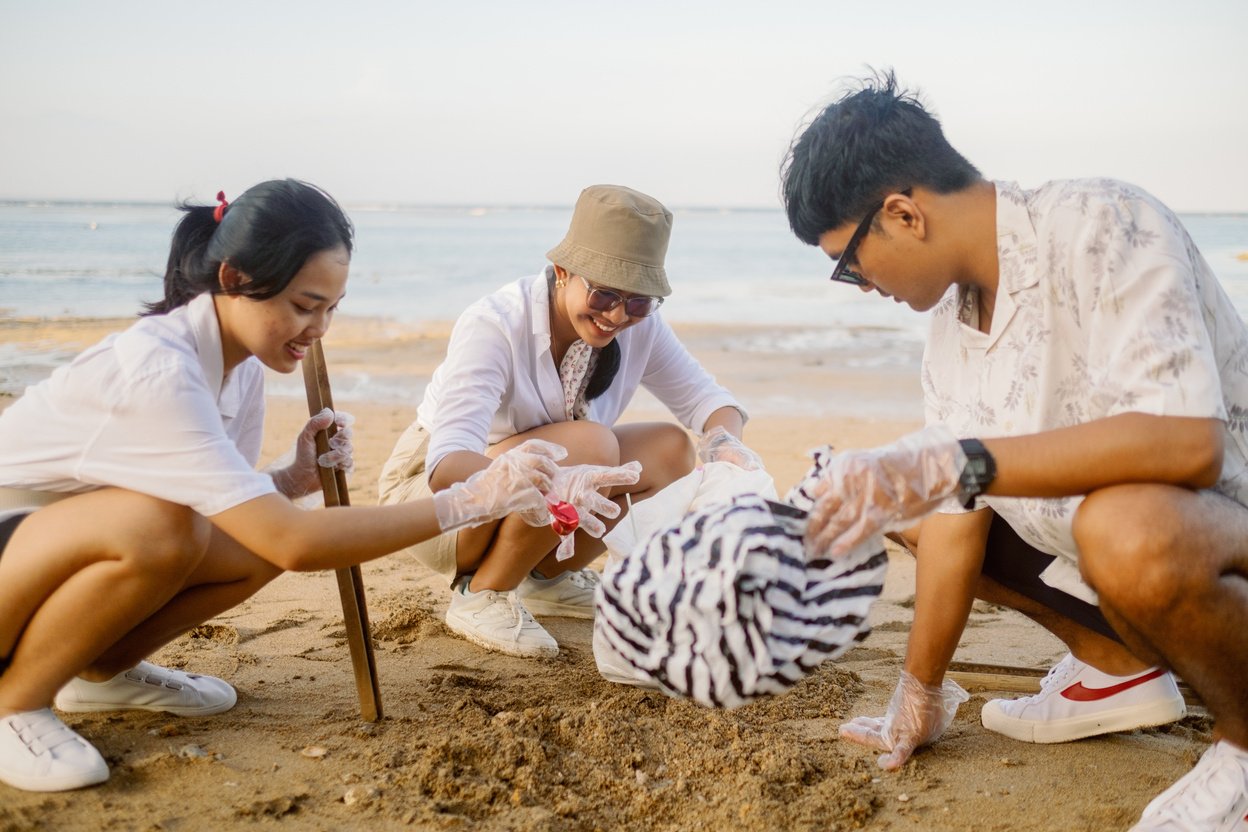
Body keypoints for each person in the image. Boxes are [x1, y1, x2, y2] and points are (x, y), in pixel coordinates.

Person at [780, 73, 1248, 829]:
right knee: (905, 502)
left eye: (849, 262)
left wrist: (957, 460)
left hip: (1220, 536)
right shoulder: (951, 330)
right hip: (1130, 574)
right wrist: (919, 691)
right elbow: (956, 512)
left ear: (902, 214)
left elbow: (1187, 441)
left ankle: (1243, 749)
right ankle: (1117, 668)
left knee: (1120, 527)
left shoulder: (1103, 222)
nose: (857, 285)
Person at [0, 179, 570, 794]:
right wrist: (474, 500)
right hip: (15, 559)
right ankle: (15, 701)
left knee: (231, 540)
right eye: (304, 305)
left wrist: (290, 478)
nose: (319, 328)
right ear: (235, 278)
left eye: (332, 307)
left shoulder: (236, 364)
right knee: (162, 528)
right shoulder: (161, 371)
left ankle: (99, 672)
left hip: (45, 572)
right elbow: (293, 542)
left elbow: (235, 514)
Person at [380, 184, 761, 659]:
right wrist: (532, 477)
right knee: (591, 446)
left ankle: (548, 579)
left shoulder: (640, 327)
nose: (618, 316)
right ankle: (482, 593)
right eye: (604, 295)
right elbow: (445, 463)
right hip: (438, 503)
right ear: (563, 272)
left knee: (671, 449)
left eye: (640, 301)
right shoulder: (496, 324)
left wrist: (725, 443)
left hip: (522, 493)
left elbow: (709, 401)